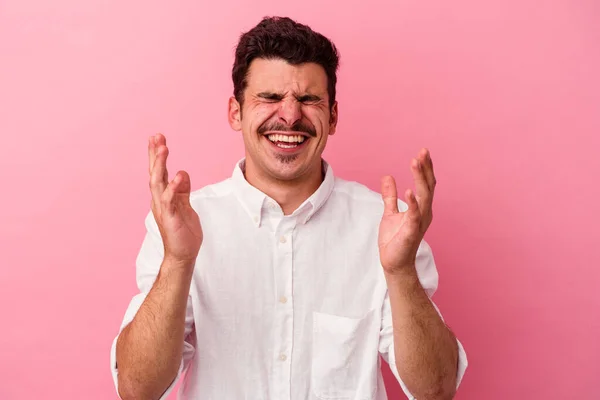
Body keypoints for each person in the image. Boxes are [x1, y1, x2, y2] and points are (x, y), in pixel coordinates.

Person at [110, 16, 467, 400]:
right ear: (236, 112)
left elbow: (437, 390)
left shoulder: (387, 225)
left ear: (332, 116)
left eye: (309, 99)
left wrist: (400, 273)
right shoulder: (183, 223)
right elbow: (137, 389)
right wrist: (178, 263)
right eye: (269, 97)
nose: (290, 115)